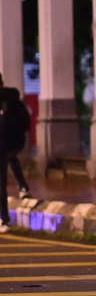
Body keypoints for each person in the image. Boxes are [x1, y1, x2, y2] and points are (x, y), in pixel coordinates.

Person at [0, 73, 32, 233]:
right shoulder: (14, 98)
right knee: (10, 162)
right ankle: (23, 187)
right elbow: (26, 122)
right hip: (15, 142)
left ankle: (4, 219)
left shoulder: (8, 101)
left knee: (1, 182)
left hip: (3, 142)